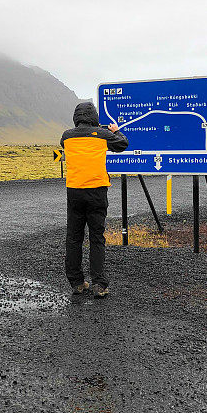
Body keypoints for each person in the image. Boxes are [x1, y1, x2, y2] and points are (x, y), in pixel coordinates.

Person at [60, 102, 128, 298]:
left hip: (74, 191)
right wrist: (116, 131)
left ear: (76, 117)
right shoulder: (103, 135)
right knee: (97, 237)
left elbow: (64, 144)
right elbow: (122, 144)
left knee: (74, 237)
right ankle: (99, 284)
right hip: (97, 191)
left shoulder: (67, 136)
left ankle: (77, 283)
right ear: (94, 116)